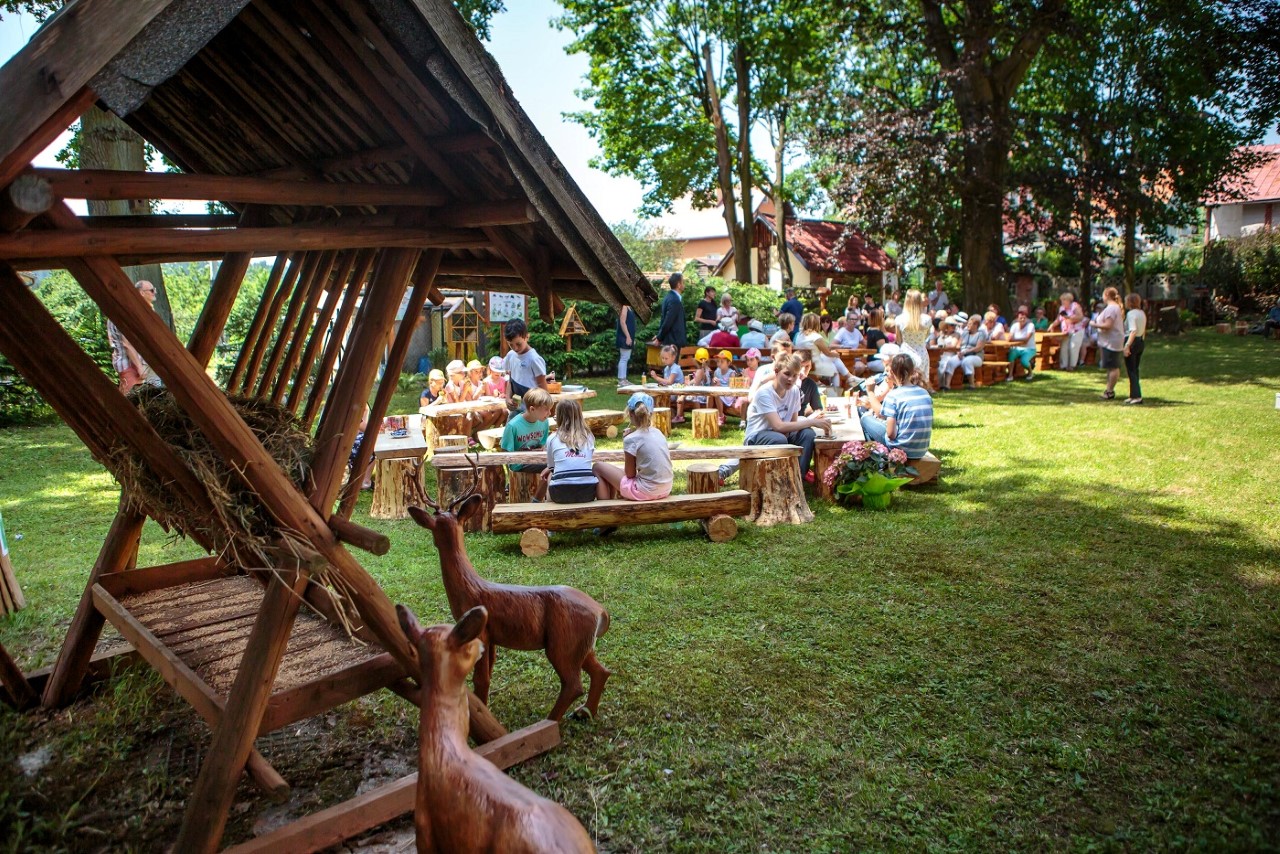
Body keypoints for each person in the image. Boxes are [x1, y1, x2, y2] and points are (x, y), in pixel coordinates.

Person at [745, 353, 830, 484]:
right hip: (757, 436)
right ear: (776, 372)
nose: (791, 379)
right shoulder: (764, 393)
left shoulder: (795, 391)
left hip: (782, 434)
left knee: (808, 434)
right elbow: (778, 426)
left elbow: (793, 423)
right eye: (787, 374)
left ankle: (798, 478)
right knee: (780, 438)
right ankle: (778, 479)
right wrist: (812, 421)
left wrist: (810, 424)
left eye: (795, 375)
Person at [593, 392, 673, 502]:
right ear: (650, 414)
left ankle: (604, 510)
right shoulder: (658, 433)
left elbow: (630, 474)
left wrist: (627, 441)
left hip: (645, 492)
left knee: (597, 467)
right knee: (611, 473)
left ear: (630, 414)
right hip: (665, 488)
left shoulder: (631, 439)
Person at [859, 353, 934, 461]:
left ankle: (880, 460)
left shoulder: (894, 395)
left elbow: (891, 435)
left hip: (901, 449)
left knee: (865, 419)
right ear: (913, 371)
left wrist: (870, 391)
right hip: (921, 450)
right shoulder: (924, 393)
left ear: (892, 372)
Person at [542, 400, 606, 503]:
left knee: (551, 474)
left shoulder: (552, 438)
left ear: (558, 418)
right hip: (587, 493)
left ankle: (549, 505)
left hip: (560, 494)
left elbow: (552, 466)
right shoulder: (588, 437)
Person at [108, 280, 162, 393]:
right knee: (131, 402)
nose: (154, 293)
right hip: (130, 366)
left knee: (152, 399)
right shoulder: (124, 312)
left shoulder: (145, 312)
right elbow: (127, 343)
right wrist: (139, 368)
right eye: (152, 290)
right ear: (141, 293)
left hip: (145, 364)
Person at [501, 387, 553, 499]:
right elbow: (505, 450)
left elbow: (541, 444)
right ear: (532, 409)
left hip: (536, 458)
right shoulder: (513, 426)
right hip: (520, 464)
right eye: (546, 409)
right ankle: (541, 499)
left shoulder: (544, 422)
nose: (549, 413)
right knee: (551, 466)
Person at [503, 319, 549, 412]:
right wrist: (507, 398)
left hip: (533, 409)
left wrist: (544, 408)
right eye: (511, 345)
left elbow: (542, 386)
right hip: (516, 408)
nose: (515, 348)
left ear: (527, 337)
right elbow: (511, 381)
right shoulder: (510, 355)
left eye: (518, 344)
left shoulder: (534, 359)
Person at [1091, 287, 1124, 400]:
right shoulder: (1114, 308)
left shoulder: (1111, 309)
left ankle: (1109, 391)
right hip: (1110, 341)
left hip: (1111, 342)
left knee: (1113, 366)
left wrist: (1094, 324)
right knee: (1111, 366)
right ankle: (1109, 389)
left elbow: (1108, 325)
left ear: (1106, 295)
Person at [797, 312, 841, 388]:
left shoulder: (799, 335)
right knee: (835, 371)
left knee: (834, 361)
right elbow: (828, 353)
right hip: (815, 365)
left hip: (803, 364)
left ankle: (849, 377)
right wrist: (838, 355)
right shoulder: (816, 337)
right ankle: (836, 392)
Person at [896, 289, 934, 375]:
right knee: (922, 383)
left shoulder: (899, 319)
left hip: (905, 354)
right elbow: (926, 336)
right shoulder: (927, 319)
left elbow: (898, 340)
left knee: (905, 382)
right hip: (921, 354)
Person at [1049, 291, 1085, 371]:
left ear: (1069, 300)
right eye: (1061, 300)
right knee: (1064, 347)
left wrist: (1069, 318)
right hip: (1066, 331)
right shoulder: (1062, 308)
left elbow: (1080, 317)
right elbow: (1058, 319)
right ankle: (1063, 366)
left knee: (1073, 347)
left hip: (1076, 330)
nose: (1062, 302)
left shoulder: (1075, 306)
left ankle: (1072, 366)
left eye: (1064, 300)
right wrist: (1052, 325)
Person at [1122, 292, 1147, 405]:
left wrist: (1127, 345)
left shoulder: (1131, 314)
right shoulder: (1142, 313)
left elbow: (1133, 330)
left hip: (1132, 340)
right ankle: (1133, 394)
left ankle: (1136, 396)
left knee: (1131, 370)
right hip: (1140, 341)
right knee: (1134, 369)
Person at [654, 273, 687, 347]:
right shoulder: (674, 300)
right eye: (683, 282)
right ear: (679, 285)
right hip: (673, 342)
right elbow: (668, 321)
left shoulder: (668, 297)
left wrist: (659, 336)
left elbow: (664, 320)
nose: (684, 285)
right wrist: (659, 337)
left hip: (670, 340)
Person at [1005, 306, 1037, 381]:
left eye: (1024, 318)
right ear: (1017, 319)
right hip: (1017, 348)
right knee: (1011, 355)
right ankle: (1010, 375)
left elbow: (1026, 339)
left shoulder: (1030, 326)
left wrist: (1014, 339)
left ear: (1027, 319)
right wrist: (1013, 339)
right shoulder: (1014, 326)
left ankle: (1030, 372)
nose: (1022, 319)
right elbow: (1009, 338)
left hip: (1030, 349)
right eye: (1020, 318)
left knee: (1024, 361)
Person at [957, 315, 989, 389]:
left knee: (967, 361)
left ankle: (972, 385)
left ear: (976, 325)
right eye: (968, 323)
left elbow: (978, 348)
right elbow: (958, 344)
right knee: (951, 362)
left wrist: (966, 351)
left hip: (976, 356)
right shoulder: (965, 333)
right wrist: (958, 352)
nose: (967, 325)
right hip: (962, 354)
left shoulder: (981, 334)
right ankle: (947, 385)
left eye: (969, 324)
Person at [712, 350, 741, 422]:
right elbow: (713, 384)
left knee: (717, 393)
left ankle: (721, 416)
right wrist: (714, 382)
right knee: (711, 394)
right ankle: (708, 414)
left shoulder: (731, 373)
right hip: (719, 392)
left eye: (722, 362)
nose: (719, 364)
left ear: (728, 363)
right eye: (718, 361)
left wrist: (719, 386)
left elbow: (731, 388)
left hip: (728, 395)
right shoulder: (717, 371)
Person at [935, 317, 964, 390]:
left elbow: (953, 346)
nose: (953, 327)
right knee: (936, 363)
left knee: (943, 364)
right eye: (951, 325)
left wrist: (942, 346)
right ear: (946, 326)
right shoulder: (941, 334)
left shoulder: (956, 334)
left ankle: (942, 385)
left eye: (954, 325)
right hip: (940, 355)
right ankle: (936, 384)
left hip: (951, 354)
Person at [615, 303, 636, 386]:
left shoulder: (629, 307)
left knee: (626, 357)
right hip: (624, 337)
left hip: (628, 337)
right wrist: (627, 336)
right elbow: (622, 322)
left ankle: (624, 379)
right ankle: (621, 380)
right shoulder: (624, 307)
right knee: (624, 358)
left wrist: (631, 338)